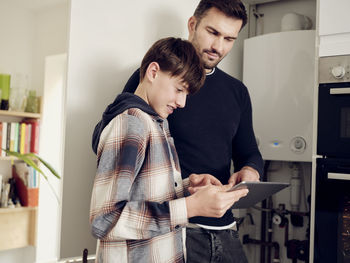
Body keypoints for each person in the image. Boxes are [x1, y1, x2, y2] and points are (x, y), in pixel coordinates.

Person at [122, 1, 264, 262]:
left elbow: (250, 152)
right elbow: (117, 145)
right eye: (213, 32)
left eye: (229, 38)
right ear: (192, 24)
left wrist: (251, 171)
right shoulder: (155, 79)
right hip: (174, 229)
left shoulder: (237, 92)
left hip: (226, 229)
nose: (218, 47)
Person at [90, 37, 249, 263]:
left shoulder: (155, 123)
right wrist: (190, 207)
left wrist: (188, 186)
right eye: (178, 89)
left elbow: (143, 192)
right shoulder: (130, 124)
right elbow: (105, 220)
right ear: (153, 72)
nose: (182, 102)